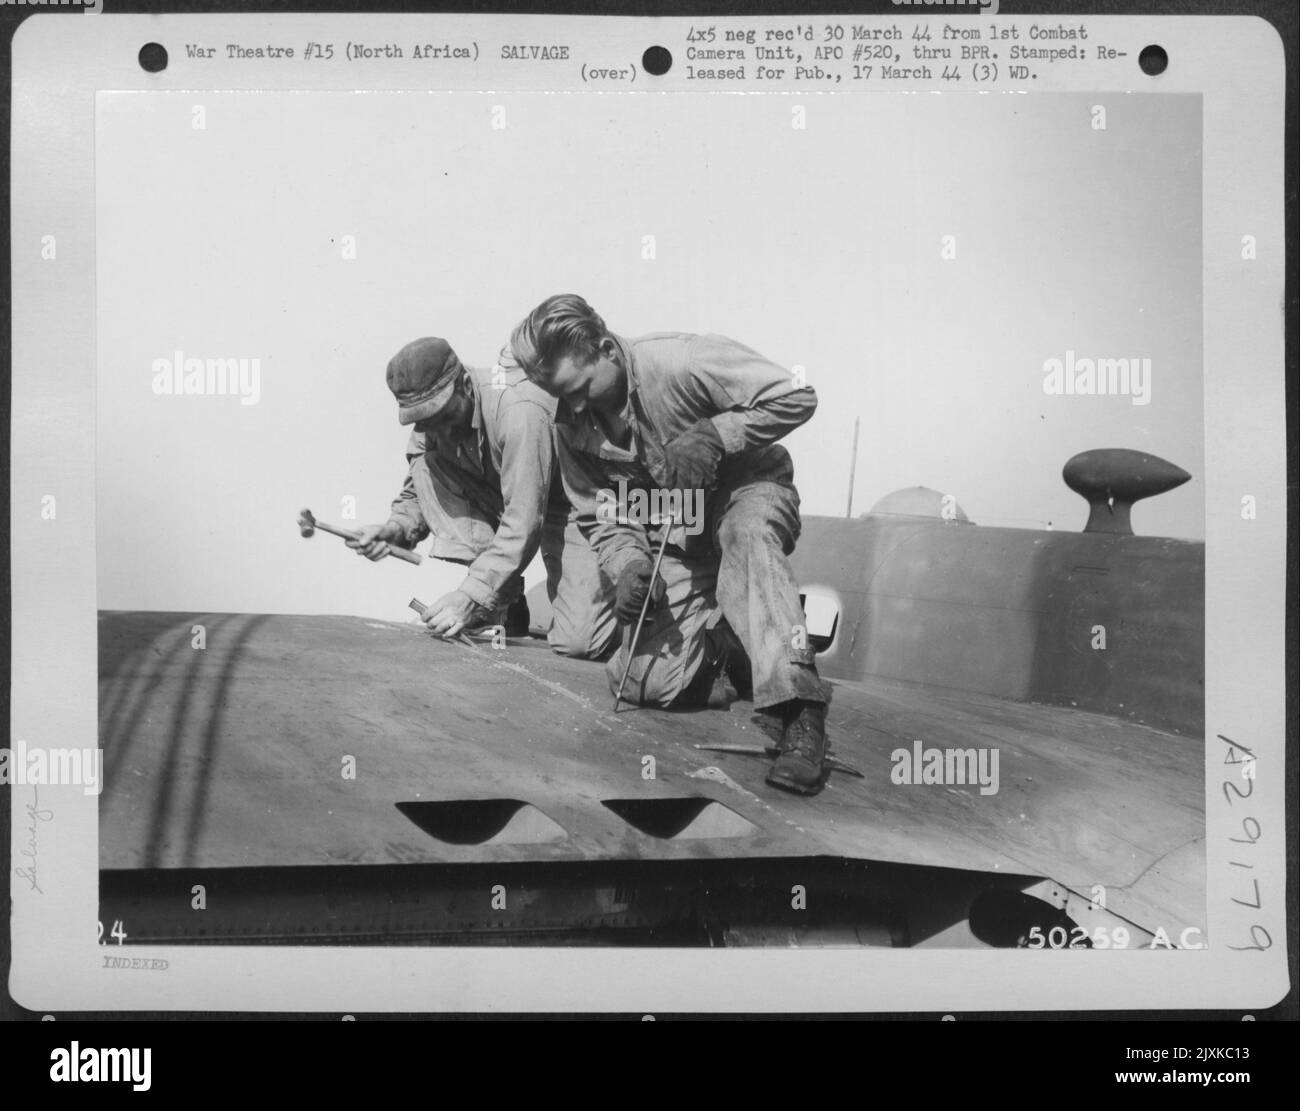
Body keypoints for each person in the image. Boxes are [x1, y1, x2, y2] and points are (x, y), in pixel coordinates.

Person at [509, 296, 831, 795]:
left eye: (577, 389)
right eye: (559, 395)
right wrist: (632, 564)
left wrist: (716, 435)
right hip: (678, 529)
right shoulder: (568, 419)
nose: (572, 407)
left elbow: (797, 395)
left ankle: (800, 713)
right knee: (642, 683)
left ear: (606, 348)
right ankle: (732, 649)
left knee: (746, 538)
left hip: (748, 494)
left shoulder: (684, 361)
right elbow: (602, 512)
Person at [350, 336, 616, 659]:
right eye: (426, 420)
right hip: (512, 495)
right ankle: (503, 599)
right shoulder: (433, 424)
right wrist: (394, 529)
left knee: (580, 641)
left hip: (572, 500)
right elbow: (420, 490)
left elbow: (524, 520)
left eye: (443, 415)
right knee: (426, 460)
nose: (441, 430)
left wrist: (467, 596)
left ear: (464, 383)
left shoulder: (518, 410)